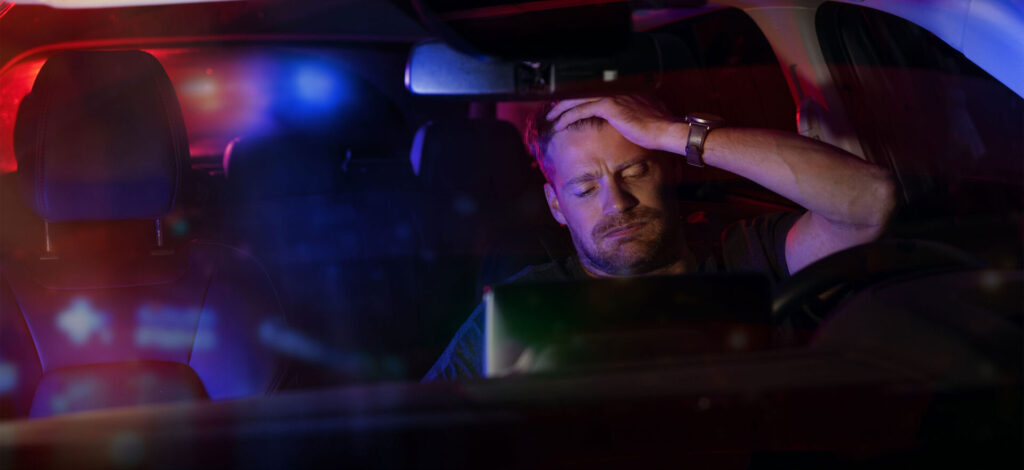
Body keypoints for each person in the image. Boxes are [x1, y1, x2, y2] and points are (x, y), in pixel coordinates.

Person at [423, 96, 896, 381]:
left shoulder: (748, 255)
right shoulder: (523, 307)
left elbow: (869, 201)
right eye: (585, 188)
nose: (617, 203)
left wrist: (671, 133)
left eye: (635, 170)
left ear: (669, 169)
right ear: (555, 206)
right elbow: (426, 431)